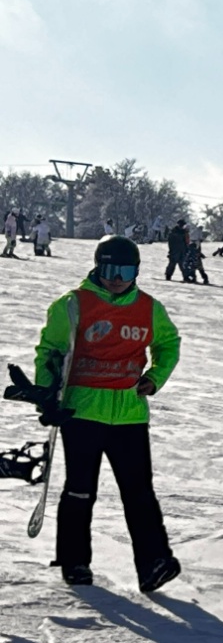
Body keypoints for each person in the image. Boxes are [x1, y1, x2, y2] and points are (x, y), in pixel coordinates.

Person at [32, 235, 182, 591]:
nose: (117, 277)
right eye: (110, 269)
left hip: (129, 414)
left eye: (125, 270)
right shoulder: (73, 304)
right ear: (98, 267)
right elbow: (50, 351)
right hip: (80, 412)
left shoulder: (148, 308)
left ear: (136, 271)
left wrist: (155, 377)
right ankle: (74, 561)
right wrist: (46, 397)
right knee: (81, 489)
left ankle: (154, 563)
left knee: (138, 491)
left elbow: (168, 343)